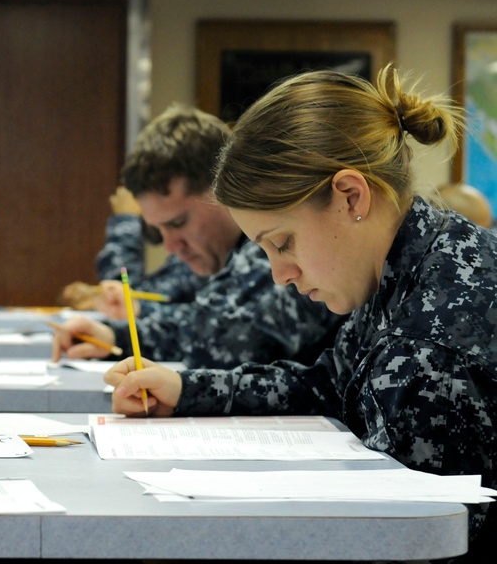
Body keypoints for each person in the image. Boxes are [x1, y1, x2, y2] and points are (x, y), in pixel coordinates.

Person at [105, 66, 497, 562]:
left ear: (351, 196)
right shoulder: (410, 260)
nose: (280, 274)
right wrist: (187, 392)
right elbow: (328, 384)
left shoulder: (432, 348)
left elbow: (411, 545)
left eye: (282, 243)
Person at [51, 103, 344, 369]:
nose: (170, 245)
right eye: (158, 229)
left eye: (178, 223)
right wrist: (116, 336)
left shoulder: (277, 250)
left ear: (222, 191)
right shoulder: (217, 252)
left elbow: (228, 340)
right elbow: (198, 320)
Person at [60, 184, 205, 314]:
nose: (169, 246)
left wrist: (126, 222)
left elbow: (128, 298)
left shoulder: (207, 252)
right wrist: (96, 299)